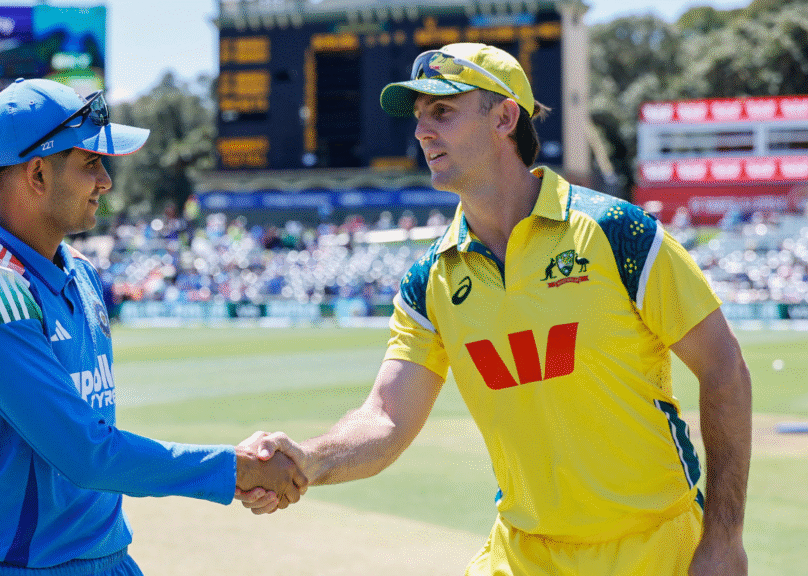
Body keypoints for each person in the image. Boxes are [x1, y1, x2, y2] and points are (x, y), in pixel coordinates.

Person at [238, 43, 753, 576]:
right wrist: (310, 460)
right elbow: (385, 418)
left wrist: (723, 538)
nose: (422, 132)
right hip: (523, 554)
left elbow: (724, 369)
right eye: (419, 116)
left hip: (656, 549)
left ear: (505, 117)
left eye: (443, 111)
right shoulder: (429, 280)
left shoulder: (616, 232)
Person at [0, 78, 305, 576]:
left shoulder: (81, 273)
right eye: (90, 163)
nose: (105, 181)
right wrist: (234, 469)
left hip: (111, 559)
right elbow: (86, 455)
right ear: (37, 173)